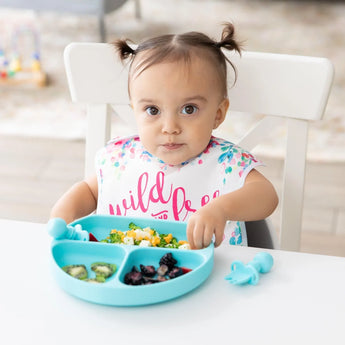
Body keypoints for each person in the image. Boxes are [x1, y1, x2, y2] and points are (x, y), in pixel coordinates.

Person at [50, 23, 278, 249]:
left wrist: (221, 209)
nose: (170, 127)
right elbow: (90, 190)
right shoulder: (122, 159)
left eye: (189, 109)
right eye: (153, 110)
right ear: (135, 111)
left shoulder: (225, 163)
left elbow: (266, 196)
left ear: (218, 114)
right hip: (126, 278)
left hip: (211, 277)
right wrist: (63, 215)